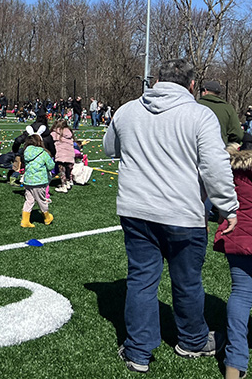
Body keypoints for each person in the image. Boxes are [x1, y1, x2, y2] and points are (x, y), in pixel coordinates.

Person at [104, 58, 239, 373]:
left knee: (141, 280)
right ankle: (192, 340)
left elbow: (111, 147)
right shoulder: (198, 114)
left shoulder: (127, 110)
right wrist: (227, 206)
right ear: (192, 85)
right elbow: (215, 168)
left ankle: (138, 351)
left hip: (136, 210)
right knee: (188, 281)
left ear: (157, 81)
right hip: (182, 213)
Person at [214, 138, 252, 379]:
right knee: (241, 294)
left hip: (238, 235)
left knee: (240, 294)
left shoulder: (230, 167)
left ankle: (234, 364)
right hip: (240, 235)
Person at [19, 133, 55, 227]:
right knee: (42, 200)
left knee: (29, 200)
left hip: (28, 181)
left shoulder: (26, 152)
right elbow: (51, 166)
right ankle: (47, 217)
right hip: (39, 181)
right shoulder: (43, 153)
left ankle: (25, 220)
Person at [198, 80, 244, 146]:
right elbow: (238, 135)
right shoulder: (228, 108)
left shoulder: (195, 105)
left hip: (196, 150)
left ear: (205, 91)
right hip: (220, 150)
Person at [51, 119, 76, 193]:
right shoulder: (69, 132)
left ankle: (63, 185)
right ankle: (68, 182)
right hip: (70, 153)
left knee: (62, 171)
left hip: (61, 154)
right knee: (68, 169)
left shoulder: (54, 133)